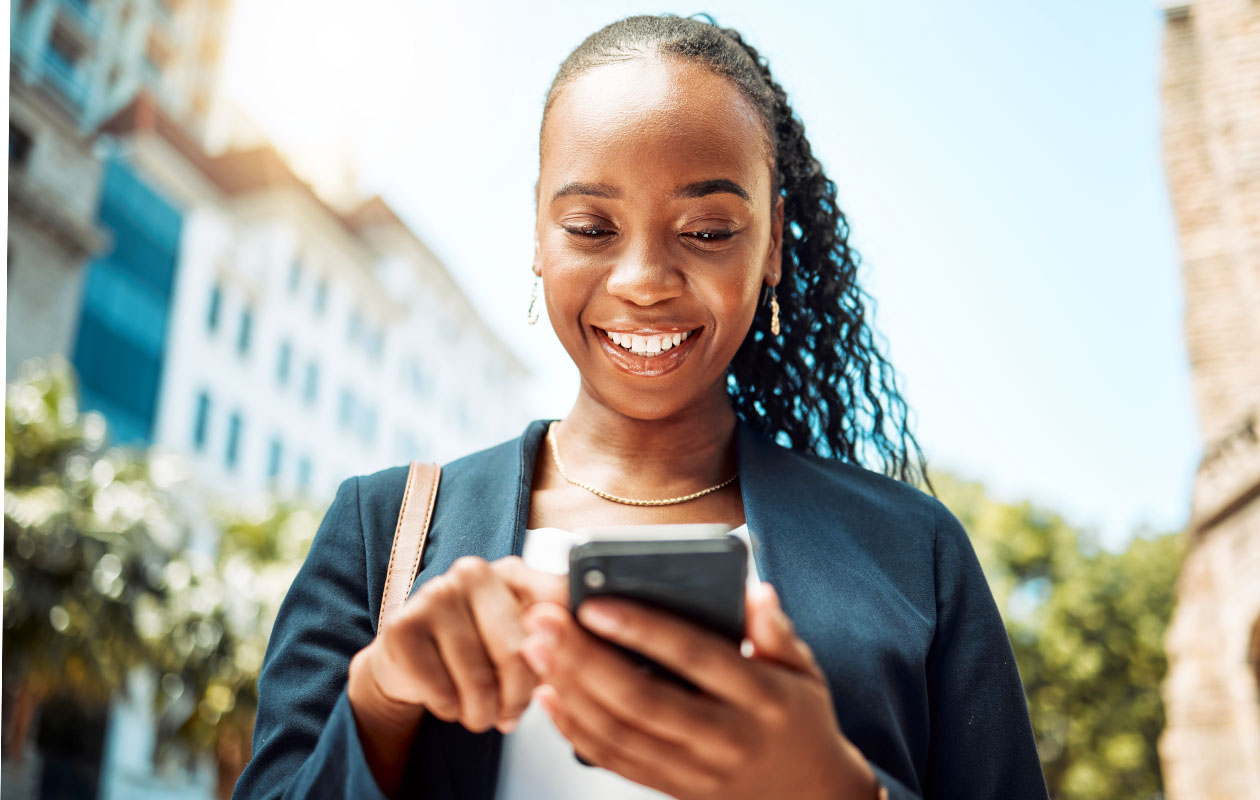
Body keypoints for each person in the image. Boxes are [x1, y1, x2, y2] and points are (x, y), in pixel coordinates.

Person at [232, 13, 1049, 800]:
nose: (644, 281)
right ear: (538, 237)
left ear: (772, 243)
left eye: (708, 231)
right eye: (591, 227)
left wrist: (835, 789)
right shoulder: (383, 530)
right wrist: (379, 701)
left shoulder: (915, 551)